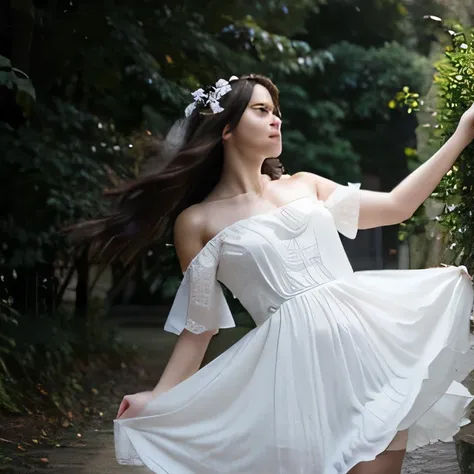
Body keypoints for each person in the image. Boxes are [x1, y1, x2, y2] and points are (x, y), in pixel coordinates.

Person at [80, 74, 474, 473]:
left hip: (369, 356)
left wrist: (462, 132)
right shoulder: (196, 222)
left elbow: (396, 206)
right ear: (227, 129)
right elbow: (200, 328)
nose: (276, 120)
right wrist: (160, 398)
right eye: (261, 110)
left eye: (276, 111)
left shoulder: (305, 185)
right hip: (297, 377)